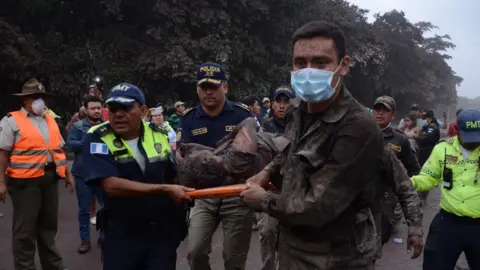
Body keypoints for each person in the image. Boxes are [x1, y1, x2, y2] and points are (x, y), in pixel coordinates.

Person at [241, 21, 384, 270]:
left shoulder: (358, 127)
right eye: (300, 63)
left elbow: (319, 207)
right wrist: (266, 172)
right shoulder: (297, 109)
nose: (308, 72)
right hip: (291, 247)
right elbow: (289, 153)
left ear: (344, 65)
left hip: (337, 257)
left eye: (320, 62)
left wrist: (264, 200)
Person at [81, 83, 192, 270]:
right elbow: (110, 185)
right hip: (122, 233)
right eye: (113, 109)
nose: (118, 114)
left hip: (160, 234)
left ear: (143, 110)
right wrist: (165, 190)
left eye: (126, 108)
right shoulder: (97, 137)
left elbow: (172, 175)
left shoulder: (159, 134)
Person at [178, 62, 255, 270]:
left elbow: (251, 154)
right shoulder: (189, 119)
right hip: (203, 197)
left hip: (236, 195)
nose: (208, 91)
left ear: (225, 87)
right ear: (197, 89)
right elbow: (184, 155)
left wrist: (206, 155)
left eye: (214, 86)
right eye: (204, 87)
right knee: (195, 253)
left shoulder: (242, 115)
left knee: (234, 260)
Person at [0, 79, 73, 270]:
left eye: (41, 97)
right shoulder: (11, 120)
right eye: (35, 97)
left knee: (48, 229)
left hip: (49, 179)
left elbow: (58, 149)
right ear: (24, 100)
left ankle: (54, 266)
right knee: (25, 232)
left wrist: (67, 174)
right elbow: (2, 153)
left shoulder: (50, 120)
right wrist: (1, 182)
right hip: (24, 183)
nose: (39, 101)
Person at [411, 109, 480, 270]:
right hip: (448, 222)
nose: (474, 142)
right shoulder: (443, 149)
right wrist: (407, 182)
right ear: (457, 131)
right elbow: (428, 177)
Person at [177, 117, 288, 189]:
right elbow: (250, 121)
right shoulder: (239, 155)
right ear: (206, 160)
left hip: (281, 164)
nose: (196, 152)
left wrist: (187, 148)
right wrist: (228, 137)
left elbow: (213, 151)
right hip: (286, 150)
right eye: (196, 154)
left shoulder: (221, 169)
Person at [372, 96, 421, 243]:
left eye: (385, 110)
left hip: (386, 201)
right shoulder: (360, 132)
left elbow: (414, 169)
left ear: (393, 115)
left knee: (379, 240)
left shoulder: (400, 139)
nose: (380, 113)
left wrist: (402, 188)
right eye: (377, 110)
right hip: (360, 198)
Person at [67, 95, 105, 254]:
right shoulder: (78, 126)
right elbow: (70, 145)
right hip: (83, 174)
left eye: (98, 108)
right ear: (86, 109)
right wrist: (86, 142)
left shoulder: (107, 126)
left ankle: (104, 237)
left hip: (102, 174)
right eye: (93, 108)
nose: (96, 111)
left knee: (106, 207)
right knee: (84, 209)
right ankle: (85, 240)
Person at [415, 109, 441, 206]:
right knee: (420, 171)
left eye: (425, 117)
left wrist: (416, 137)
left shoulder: (433, 127)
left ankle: (422, 197)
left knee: (425, 173)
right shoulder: (428, 126)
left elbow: (427, 139)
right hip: (423, 151)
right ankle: (420, 195)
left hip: (428, 152)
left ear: (429, 117)